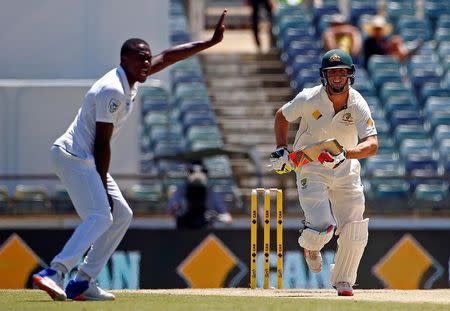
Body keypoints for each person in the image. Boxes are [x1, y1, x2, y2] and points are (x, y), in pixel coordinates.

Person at [31, 10, 227, 301]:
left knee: (122, 214)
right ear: (125, 60)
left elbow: (170, 56)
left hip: (85, 158)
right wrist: (101, 184)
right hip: (74, 156)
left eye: (148, 58)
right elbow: (102, 143)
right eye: (141, 59)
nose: (147, 63)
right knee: (101, 215)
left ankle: (83, 281)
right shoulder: (111, 90)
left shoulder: (132, 78)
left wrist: (208, 43)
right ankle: (55, 272)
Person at [269, 49, 378, 296]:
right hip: (311, 165)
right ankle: (311, 246)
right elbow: (282, 116)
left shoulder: (358, 103)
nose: (337, 77)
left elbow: (372, 143)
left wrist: (346, 154)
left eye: (342, 72)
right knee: (321, 227)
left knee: (355, 226)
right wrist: (281, 149)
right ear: (324, 76)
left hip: (345, 167)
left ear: (350, 75)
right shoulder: (308, 98)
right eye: (332, 73)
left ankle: (343, 281)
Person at [167, 162, 233, 229]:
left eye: (201, 172)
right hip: (185, 231)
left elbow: (227, 218)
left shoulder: (211, 193)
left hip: (204, 230)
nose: (197, 175)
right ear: (188, 174)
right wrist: (177, 210)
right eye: (193, 172)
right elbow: (171, 210)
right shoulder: (181, 191)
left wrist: (216, 216)